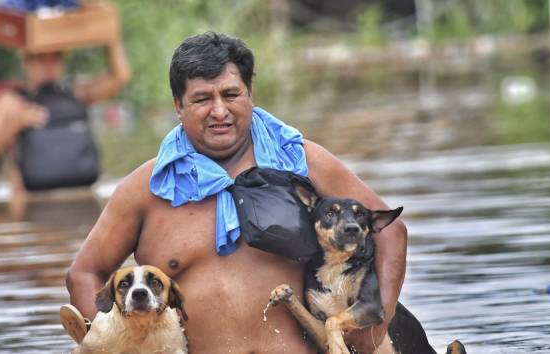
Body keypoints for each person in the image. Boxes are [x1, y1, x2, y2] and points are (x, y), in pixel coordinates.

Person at [65, 32, 407, 353]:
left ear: (249, 93)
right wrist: (110, 341)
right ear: (178, 105)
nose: (219, 111)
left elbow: (390, 229)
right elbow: (84, 272)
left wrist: (374, 328)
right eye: (201, 99)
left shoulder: (302, 162)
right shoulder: (147, 187)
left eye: (231, 94)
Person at [0, 38, 131, 217]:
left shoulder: (78, 94)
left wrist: (111, 37)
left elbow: (120, 77)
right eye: (41, 60)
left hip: (81, 201)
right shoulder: (11, 102)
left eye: (55, 59)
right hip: (30, 203)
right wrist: (15, 123)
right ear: (27, 62)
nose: (49, 67)